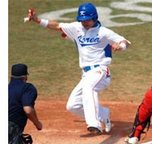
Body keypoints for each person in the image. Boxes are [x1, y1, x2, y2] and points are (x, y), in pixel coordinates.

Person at [26, 2, 131, 135]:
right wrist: (37, 20)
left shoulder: (104, 32)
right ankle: (104, 114)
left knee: (89, 88)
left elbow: (125, 42)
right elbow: (57, 26)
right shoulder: (76, 28)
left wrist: (120, 46)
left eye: (87, 20)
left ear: (94, 17)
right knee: (73, 105)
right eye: (82, 20)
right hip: (86, 74)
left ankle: (94, 123)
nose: (84, 23)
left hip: (101, 71)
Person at [9, 63, 43, 144]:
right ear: (25, 77)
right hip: (11, 130)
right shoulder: (27, 88)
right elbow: (28, 110)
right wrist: (38, 124)